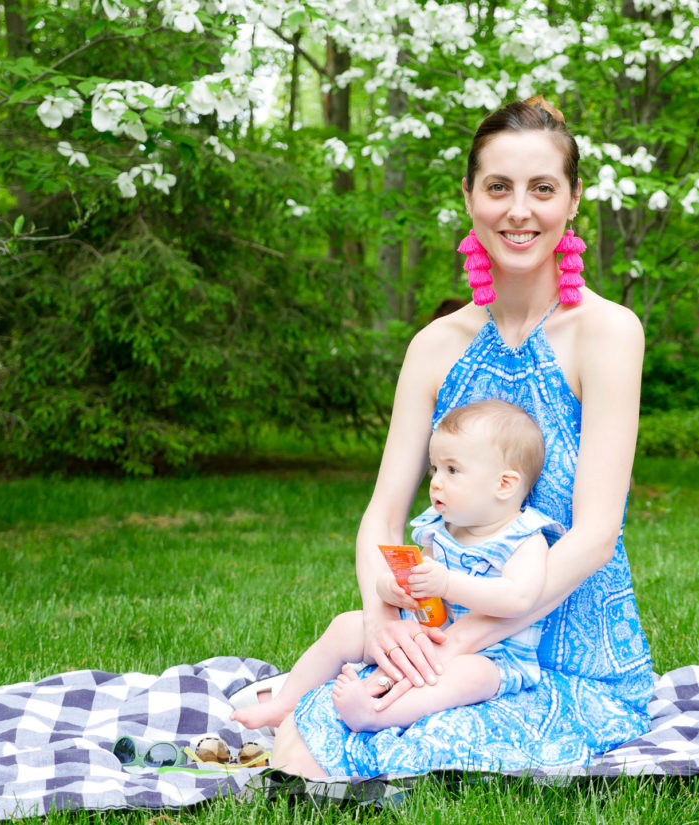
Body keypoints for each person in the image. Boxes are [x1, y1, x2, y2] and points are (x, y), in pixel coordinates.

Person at [267, 95, 653, 777]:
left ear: (573, 200)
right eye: (498, 187)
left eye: (542, 189)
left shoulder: (607, 332)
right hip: (437, 631)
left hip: (564, 654)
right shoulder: (436, 346)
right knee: (303, 740)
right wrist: (386, 626)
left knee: (385, 749)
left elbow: (594, 537)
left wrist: (459, 644)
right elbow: (383, 514)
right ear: (468, 196)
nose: (519, 210)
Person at [229, 400, 562, 733]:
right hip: (433, 630)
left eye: (452, 470)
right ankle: (285, 703)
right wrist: (393, 588)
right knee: (347, 625)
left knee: (469, 677)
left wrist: (446, 584)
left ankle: (376, 714)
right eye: (435, 469)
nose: (435, 482)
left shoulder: (525, 538)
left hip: (495, 653)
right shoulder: (443, 528)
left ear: (504, 484)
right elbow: (421, 581)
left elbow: (518, 598)